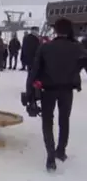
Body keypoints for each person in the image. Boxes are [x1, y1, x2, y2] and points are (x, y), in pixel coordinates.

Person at [26, 18, 85, 172]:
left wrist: (29, 93)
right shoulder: (78, 48)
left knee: (47, 121)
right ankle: (61, 150)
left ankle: (50, 156)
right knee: (64, 120)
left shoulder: (45, 48)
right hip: (67, 90)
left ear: (55, 30)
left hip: (48, 90)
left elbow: (34, 72)